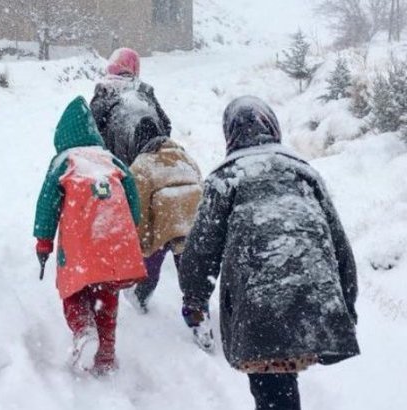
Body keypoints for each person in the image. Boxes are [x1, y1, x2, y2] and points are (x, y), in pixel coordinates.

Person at [178, 96, 360, 410]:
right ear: (272, 128)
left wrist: (194, 299)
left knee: (272, 386)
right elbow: (338, 244)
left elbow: (200, 251)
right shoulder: (305, 173)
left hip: (260, 302)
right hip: (315, 296)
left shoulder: (225, 179)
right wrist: (346, 302)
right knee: (281, 386)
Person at [33, 96, 147, 376]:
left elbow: (47, 204)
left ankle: (84, 330)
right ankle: (105, 355)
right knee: (107, 296)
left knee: (73, 290)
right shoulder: (111, 160)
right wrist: (126, 233)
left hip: (79, 243)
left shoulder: (64, 161)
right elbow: (133, 201)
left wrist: (44, 242)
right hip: (114, 237)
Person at [123, 118, 203, 313]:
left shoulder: (141, 165)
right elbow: (200, 185)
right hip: (192, 221)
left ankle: (141, 297)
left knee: (150, 265)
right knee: (190, 277)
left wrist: (142, 244)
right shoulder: (186, 158)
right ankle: (198, 318)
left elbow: (139, 210)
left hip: (164, 225)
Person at [90, 47, 172, 165]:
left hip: (117, 162)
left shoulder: (105, 91)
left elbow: (91, 129)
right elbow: (166, 125)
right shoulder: (144, 91)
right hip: (152, 159)